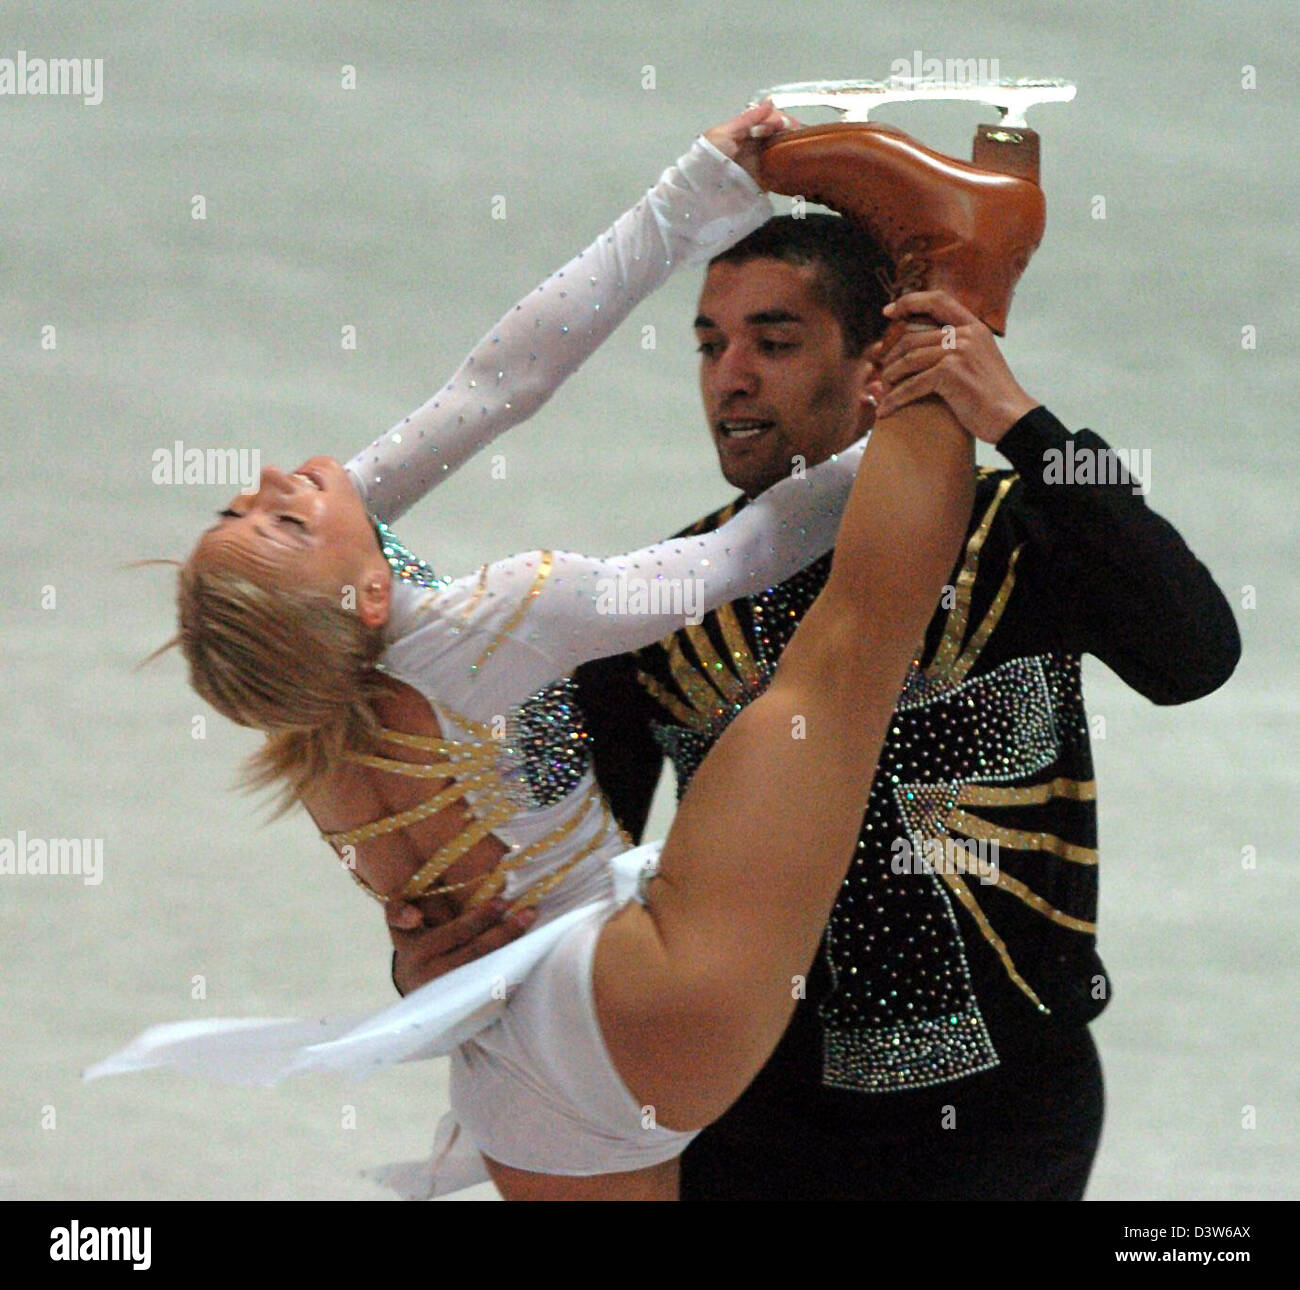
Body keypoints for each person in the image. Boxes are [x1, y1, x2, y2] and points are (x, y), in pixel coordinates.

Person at [88, 105, 1047, 1199]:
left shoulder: (300, 694)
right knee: (845, 657)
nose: (273, 486)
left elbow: (493, 388)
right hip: (635, 1001)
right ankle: (962, 267)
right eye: (279, 523)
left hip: (511, 1081)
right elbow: (737, 558)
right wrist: (902, 419)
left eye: (242, 504)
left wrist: (697, 191)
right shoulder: (487, 624)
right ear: (358, 596)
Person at [390, 124, 1243, 1200]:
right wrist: (437, 972)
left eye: (774, 340)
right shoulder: (651, 606)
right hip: (753, 1131)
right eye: (709, 344)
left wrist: (1021, 423)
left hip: (1003, 1128)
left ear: (873, 352)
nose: (729, 378)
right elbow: (550, 890)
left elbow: (1196, 653)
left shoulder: (1017, 533)